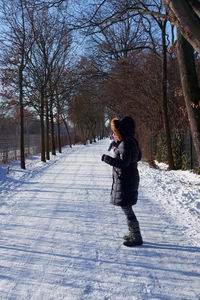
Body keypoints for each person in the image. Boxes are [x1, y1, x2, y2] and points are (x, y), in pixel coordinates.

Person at [101, 116, 143, 247]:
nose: (114, 134)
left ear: (122, 131)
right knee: (126, 207)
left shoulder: (125, 144)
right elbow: (137, 157)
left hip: (125, 180)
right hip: (129, 178)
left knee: (126, 208)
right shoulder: (132, 142)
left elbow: (123, 163)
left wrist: (106, 158)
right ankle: (133, 234)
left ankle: (136, 237)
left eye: (116, 132)